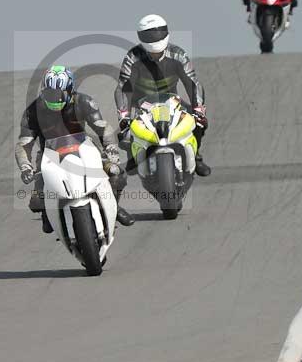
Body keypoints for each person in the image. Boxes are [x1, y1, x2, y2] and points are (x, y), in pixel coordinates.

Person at [16, 65, 135, 233]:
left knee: (116, 173)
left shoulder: (84, 101)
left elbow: (103, 128)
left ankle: (113, 207)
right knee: (37, 201)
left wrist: (111, 150)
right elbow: (24, 143)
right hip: (48, 155)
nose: (55, 99)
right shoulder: (32, 111)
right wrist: (25, 166)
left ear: (70, 90)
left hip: (84, 147)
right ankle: (47, 214)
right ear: (43, 91)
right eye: (51, 94)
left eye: (60, 94)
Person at [115, 14, 211, 177]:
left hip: (172, 101)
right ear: (141, 36)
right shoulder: (132, 57)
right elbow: (124, 88)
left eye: (157, 32)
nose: (155, 37)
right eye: (150, 34)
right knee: (124, 133)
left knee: (199, 124)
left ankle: (196, 156)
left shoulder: (179, 55)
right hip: (140, 105)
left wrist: (198, 110)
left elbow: (192, 83)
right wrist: (124, 115)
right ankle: (133, 156)